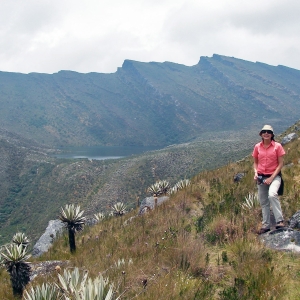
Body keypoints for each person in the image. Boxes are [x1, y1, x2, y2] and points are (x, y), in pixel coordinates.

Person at [252, 125, 285, 234]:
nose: (266, 133)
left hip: (274, 176)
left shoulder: (277, 146)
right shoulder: (257, 147)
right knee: (263, 202)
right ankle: (266, 225)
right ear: (261, 134)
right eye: (264, 131)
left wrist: (271, 178)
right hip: (261, 177)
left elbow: (280, 164)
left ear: (272, 134)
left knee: (272, 194)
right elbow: (255, 162)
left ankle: (279, 221)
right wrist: (256, 173)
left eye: (269, 132)